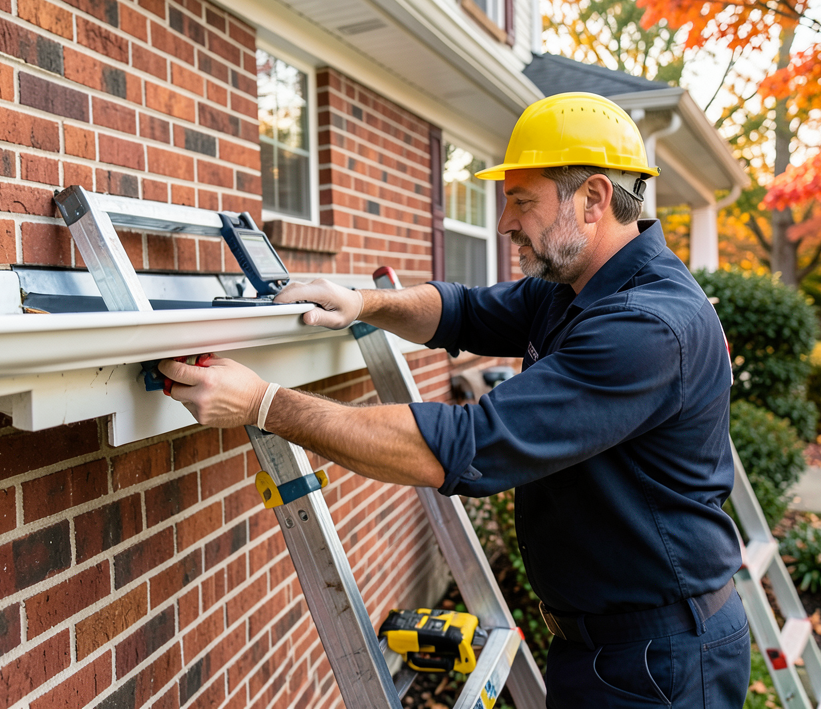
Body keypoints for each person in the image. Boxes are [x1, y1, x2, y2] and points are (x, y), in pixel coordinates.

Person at [158, 92, 750, 708]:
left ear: (595, 199)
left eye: (522, 201)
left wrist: (263, 405)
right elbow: (462, 310)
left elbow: (462, 448)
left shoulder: (645, 326)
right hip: (611, 649)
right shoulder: (573, 289)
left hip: (661, 666)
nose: (504, 223)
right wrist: (364, 303)